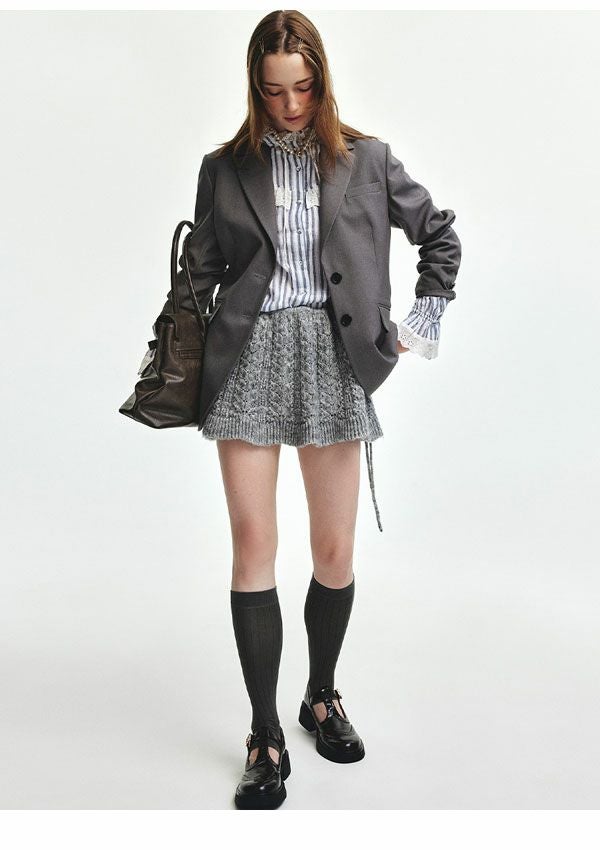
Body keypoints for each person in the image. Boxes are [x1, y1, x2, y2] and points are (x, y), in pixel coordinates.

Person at [163, 11, 461, 809]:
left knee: (333, 550)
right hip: (247, 357)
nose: (290, 105)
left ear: (322, 81)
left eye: (302, 88)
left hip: (333, 356)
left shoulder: (369, 159)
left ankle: (320, 695)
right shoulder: (224, 168)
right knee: (254, 543)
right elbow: (200, 273)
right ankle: (263, 733)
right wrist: (176, 344)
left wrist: (418, 321)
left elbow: (439, 237)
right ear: (254, 87)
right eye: (273, 91)